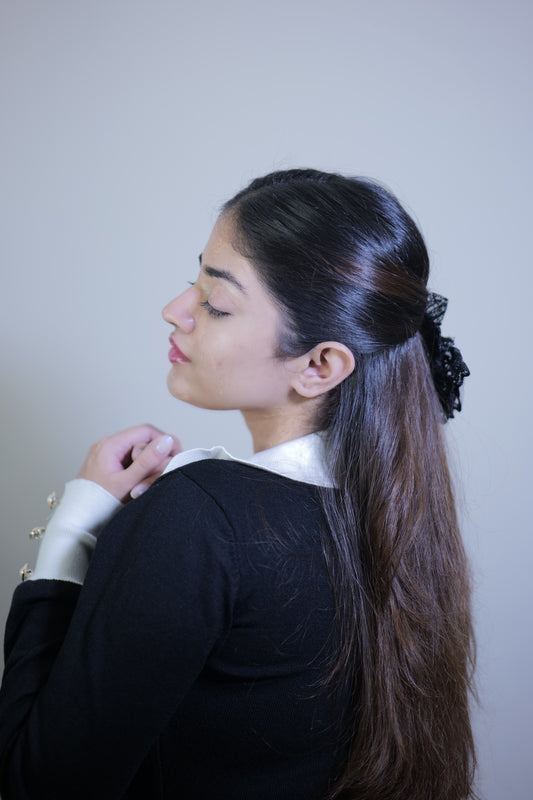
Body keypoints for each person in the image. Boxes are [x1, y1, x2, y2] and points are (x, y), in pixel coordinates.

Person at [0, 169, 475, 800]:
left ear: (319, 365)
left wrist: (70, 533)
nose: (174, 311)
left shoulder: (199, 515)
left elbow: (36, 785)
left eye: (215, 303)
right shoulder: (399, 514)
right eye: (193, 282)